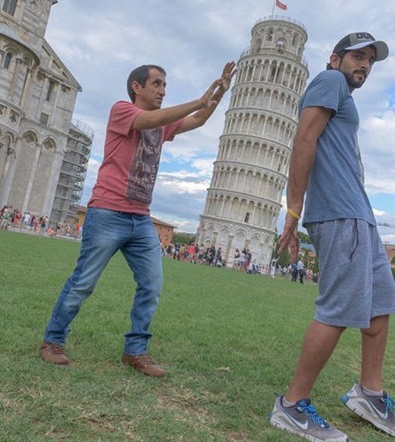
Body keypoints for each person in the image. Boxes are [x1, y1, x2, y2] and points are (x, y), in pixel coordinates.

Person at [39, 62, 236, 377]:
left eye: (164, 85)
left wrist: (218, 96)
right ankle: (53, 341)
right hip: (107, 212)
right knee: (83, 283)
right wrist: (199, 99)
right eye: (157, 84)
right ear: (136, 87)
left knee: (152, 284)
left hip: (140, 219)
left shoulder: (162, 124)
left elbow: (197, 120)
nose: (162, 90)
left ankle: (135, 351)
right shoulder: (122, 111)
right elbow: (152, 119)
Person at [269, 32, 395, 440]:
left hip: (360, 215)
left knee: (379, 304)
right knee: (339, 308)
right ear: (336, 58)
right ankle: (290, 405)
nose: (364, 65)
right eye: (357, 56)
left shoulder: (346, 95)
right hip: (340, 215)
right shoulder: (330, 81)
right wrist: (293, 207)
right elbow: (304, 138)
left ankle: (369, 394)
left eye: (370, 60)